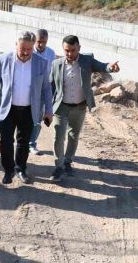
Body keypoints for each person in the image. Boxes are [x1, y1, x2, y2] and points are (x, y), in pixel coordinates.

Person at [49, 35, 120, 182]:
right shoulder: (56, 64)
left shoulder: (87, 61)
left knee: (74, 136)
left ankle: (68, 162)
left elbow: (102, 66)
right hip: (61, 107)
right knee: (59, 137)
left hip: (80, 107)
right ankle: (59, 166)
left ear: (79, 48)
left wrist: (111, 67)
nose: (69, 54)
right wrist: (46, 108)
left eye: (73, 50)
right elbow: (51, 87)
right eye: (66, 50)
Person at [0, 31, 53, 185]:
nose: (25, 52)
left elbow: (46, 89)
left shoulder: (41, 63)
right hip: (8, 109)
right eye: (22, 49)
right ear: (16, 45)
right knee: (6, 141)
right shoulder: (4, 59)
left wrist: (48, 110)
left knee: (23, 142)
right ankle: (8, 170)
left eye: (29, 50)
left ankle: (21, 168)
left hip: (29, 110)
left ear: (33, 47)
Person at [29, 28, 57, 155]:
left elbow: (52, 74)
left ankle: (32, 143)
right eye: (39, 41)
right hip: (28, 89)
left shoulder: (51, 54)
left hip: (42, 90)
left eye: (44, 42)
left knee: (37, 118)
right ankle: (21, 141)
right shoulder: (28, 50)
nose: (41, 45)